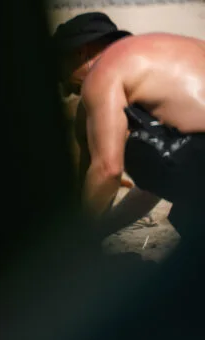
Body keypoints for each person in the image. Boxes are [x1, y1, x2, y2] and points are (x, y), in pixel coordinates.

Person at [54, 12, 205, 235]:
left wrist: (74, 243)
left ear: (80, 52)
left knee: (136, 148)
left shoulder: (103, 71)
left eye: (61, 73)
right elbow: (154, 186)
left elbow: (107, 170)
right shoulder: (160, 57)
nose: (66, 90)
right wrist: (104, 229)